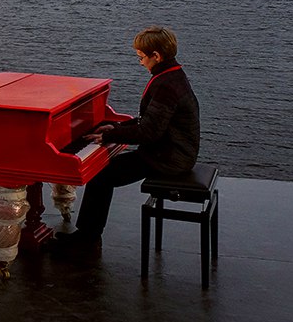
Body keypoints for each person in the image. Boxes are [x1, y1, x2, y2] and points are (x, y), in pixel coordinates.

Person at [57, 25, 200, 250]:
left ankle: (87, 238)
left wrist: (112, 134)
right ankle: (88, 234)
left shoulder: (166, 86)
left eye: (142, 57)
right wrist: (116, 127)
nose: (141, 62)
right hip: (172, 151)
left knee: (102, 175)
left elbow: (149, 132)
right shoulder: (172, 75)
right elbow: (150, 121)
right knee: (105, 172)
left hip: (169, 158)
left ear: (157, 56)